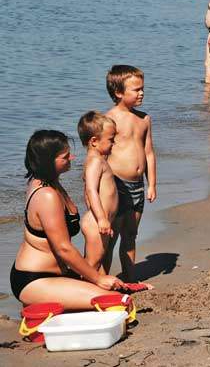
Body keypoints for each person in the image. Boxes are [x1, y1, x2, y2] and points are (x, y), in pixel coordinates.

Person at [10, 130, 123, 308]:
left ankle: (52, 307)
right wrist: (98, 278)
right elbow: (63, 248)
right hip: (34, 279)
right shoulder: (46, 195)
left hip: (56, 275)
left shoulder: (50, 182)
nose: (72, 158)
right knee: (116, 302)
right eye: (65, 156)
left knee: (116, 296)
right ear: (48, 162)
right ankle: (36, 311)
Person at [104, 65, 157, 282]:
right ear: (118, 92)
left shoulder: (144, 119)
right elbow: (98, 157)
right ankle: (102, 279)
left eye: (142, 88)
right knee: (111, 236)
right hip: (116, 185)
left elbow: (149, 153)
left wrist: (152, 183)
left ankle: (129, 278)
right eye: (136, 90)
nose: (141, 93)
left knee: (131, 235)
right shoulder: (108, 120)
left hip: (137, 186)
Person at [77, 111, 118, 271]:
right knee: (91, 264)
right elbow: (91, 190)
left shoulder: (98, 159)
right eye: (110, 140)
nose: (113, 143)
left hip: (100, 220)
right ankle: (77, 291)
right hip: (96, 221)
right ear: (94, 141)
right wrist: (101, 218)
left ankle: (96, 288)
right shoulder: (95, 161)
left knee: (97, 261)